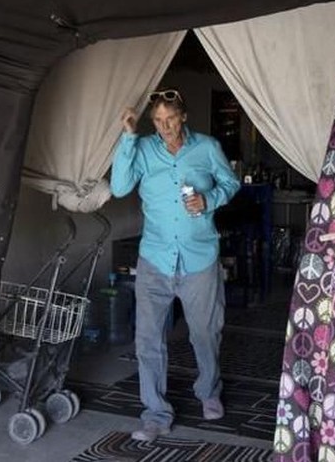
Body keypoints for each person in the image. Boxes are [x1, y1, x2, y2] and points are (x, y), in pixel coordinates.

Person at [110, 89, 241, 442]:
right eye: (158, 121)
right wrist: (128, 137)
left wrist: (209, 199)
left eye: (170, 119)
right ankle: (155, 414)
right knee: (148, 339)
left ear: (183, 116)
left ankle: (208, 391)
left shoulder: (207, 147)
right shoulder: (142, 149)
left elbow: (231, 182)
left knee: (206, 332)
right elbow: (120, 187)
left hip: (199, 257)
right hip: (155, 257)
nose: (165, 127)